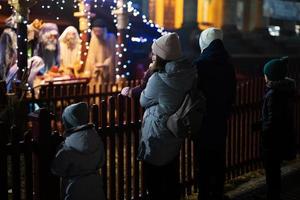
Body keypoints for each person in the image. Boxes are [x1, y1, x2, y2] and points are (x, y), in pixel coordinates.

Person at [138, 32, 196, 200]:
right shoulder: (187, 73)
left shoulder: (158, 78)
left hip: (157, 131)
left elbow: (143, 100)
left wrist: (148, 74)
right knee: (170, 176)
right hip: (174, 129)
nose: (151, 56)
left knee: (154, 180)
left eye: (154, 53)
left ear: (161, 56)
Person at [193, 27, 236, 200]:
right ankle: (217, 191)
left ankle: (204, 193)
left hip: (204, 119)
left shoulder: (201, 63)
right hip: (220, 118)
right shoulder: (227, 63)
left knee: (203, 159)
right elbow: (232, 92)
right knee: (218, 156)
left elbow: (195, 91)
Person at [51, 102, 106, 200]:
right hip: (95, 188)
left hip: (74, 190)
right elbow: (101, 161)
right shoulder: (95, 137)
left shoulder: (67, 145)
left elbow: (57, 169)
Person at [260, 57, 296, 200]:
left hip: (272, 142)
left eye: (265, 74)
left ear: (270, 76)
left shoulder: (273, 95)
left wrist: (264, 132)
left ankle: (272, 196)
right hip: (281, 138)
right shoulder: (285, 92)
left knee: (272, 173)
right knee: (276, 172)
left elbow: (272, 119)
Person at [85, 19, 116, 86]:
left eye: (99, 31)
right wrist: (95, 65)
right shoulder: (93, 39)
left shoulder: (111, 38)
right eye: (95, 31)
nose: (97, 33)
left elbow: (113, 55)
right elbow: (91, 55)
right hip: (96, 69)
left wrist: (105, 64)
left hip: (107, 70)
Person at [0, 14, 17, 81]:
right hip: (8, 60)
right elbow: (4, 53)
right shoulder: (7, 33)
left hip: (12, 60)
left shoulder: (13, 33)